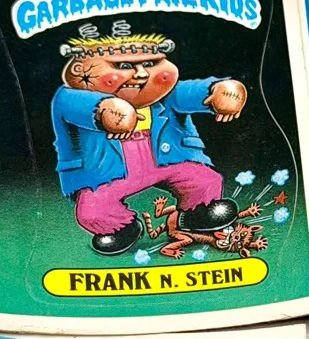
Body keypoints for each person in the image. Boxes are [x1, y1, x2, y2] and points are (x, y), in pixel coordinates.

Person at [51, 28, 248, 255]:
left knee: (205, 180)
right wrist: (107, 111)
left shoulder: (164, 93)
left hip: (167, 159)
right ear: (79, 70)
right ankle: (121, 228)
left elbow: (192, 92)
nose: (142, 74)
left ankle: (198, 214)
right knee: (92, 211)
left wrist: (221, 91)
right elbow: (78, 106)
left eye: (151, 63)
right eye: (124, 66)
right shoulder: (67, 96)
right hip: (108, 172)